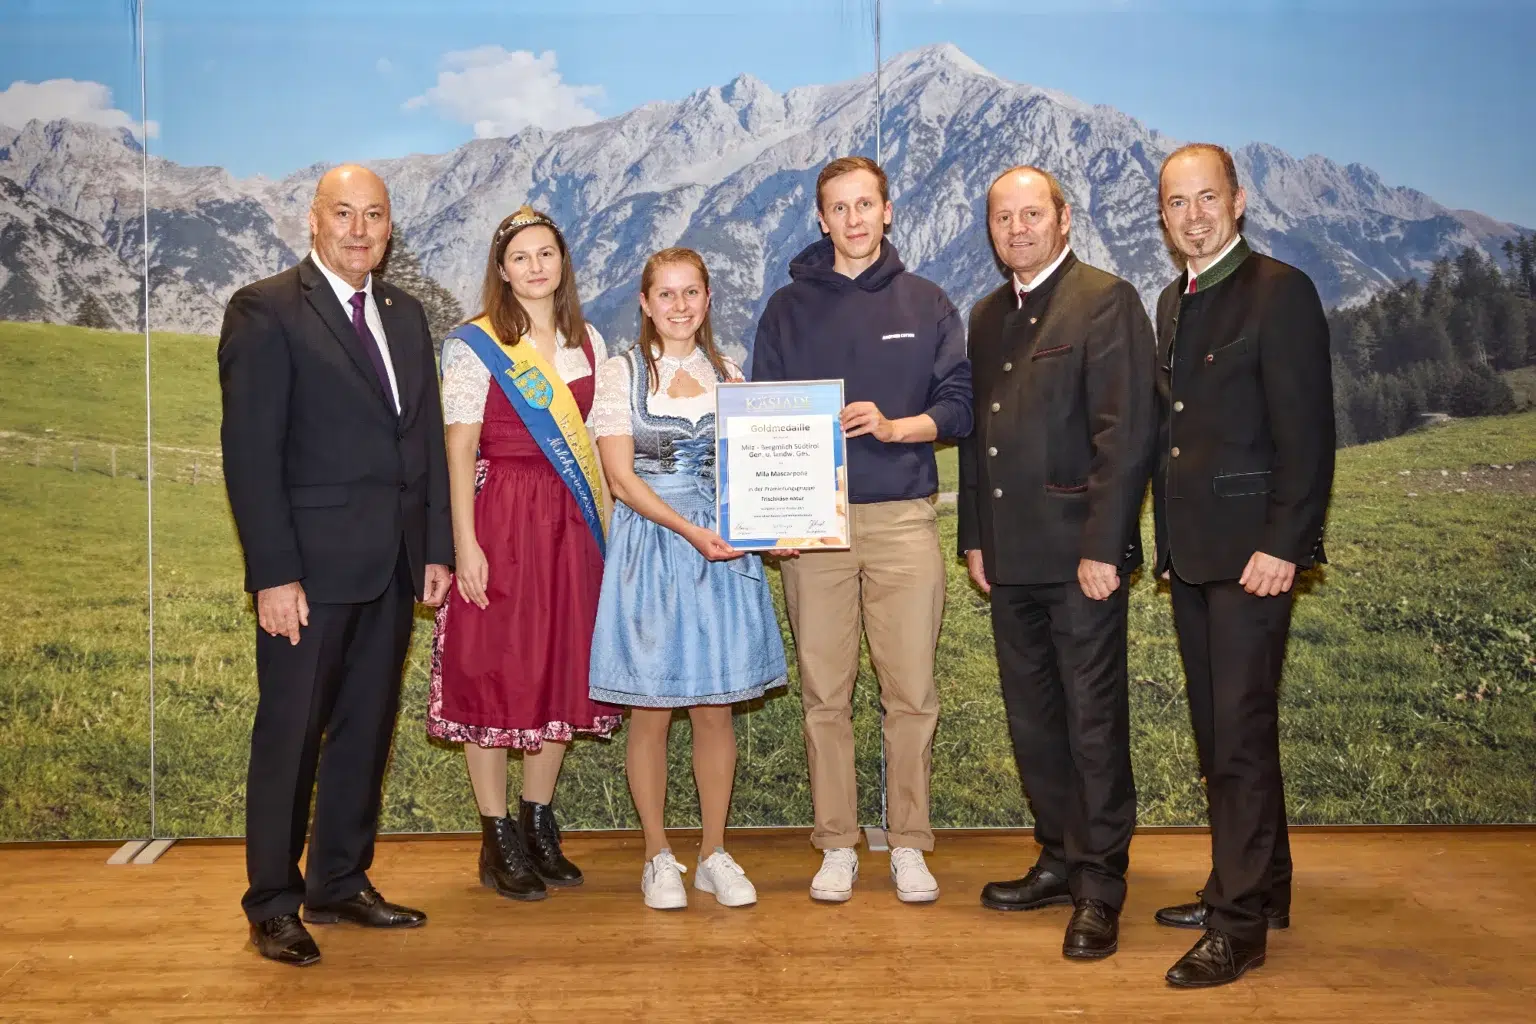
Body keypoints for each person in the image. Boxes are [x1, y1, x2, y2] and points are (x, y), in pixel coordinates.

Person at [219, 164, 453, 967]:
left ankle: (339, 881)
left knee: (364, 729)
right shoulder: (266, 310)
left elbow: (421, 445)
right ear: (311, 220)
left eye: (375, 215)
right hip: (308, 574)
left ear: (391, 227)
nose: (360, 229)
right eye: (343, 213)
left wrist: (435, 550)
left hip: (390, 564)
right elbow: (250, 456)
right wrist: (272, 575)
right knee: (289, 737)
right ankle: (273, 904)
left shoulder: (407, 314)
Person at [751, 156, 972, 904]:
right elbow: (762, 421)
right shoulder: (785, 309)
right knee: (825, 694)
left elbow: (960, 404)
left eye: (864, 205)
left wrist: (896, 425)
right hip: (815, 530)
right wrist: (773, 515)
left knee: (910, 691)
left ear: (887, 211)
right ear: (822, 219)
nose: (852, 219)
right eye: (837, 208)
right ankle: (837, 842)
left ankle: (908, 842)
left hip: (903, 519)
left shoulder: (928, 301)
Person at [959, 166, 1155, 960]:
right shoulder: (984, 316)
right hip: (1009, 559)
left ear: (1063, 219)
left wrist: (1105, 548)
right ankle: (1057, 857)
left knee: (1093, 725)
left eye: (1031, 213)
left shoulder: (1106, 300)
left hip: (1082, 561)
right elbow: (979, 440)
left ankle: (1101, 886)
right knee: (1035, 723)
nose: (1017, 228)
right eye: (1003, 217)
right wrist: (975, 536)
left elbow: (1128, 434)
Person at [1151, 143, 1335, 987]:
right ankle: (1260, 886)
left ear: (1238, 200)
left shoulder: (1280, 292)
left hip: (1254, 557)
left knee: (1239, 741)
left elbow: (1308, 436)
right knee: (1225, 733)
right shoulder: (1172, 300)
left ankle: (1239, 929)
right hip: (1192, 556)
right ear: (1163, 216)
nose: (1193, 215)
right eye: (1177, 203)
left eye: (1206, 198)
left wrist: (1285, 544)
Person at [588, 248, 790, 910]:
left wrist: (779, 521)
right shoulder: (621, 375)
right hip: (654, 548)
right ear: (644, 303)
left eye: (691, 293)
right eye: (665, 294)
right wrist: (687, 528)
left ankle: (713, 851)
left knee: (715, 711)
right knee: (651, 712)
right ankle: (656, 854)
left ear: (707, 298)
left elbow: (753, 469)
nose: (679, 306)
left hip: (722, 552)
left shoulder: (730, 373)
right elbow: (620, 478)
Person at [430, 206, 622, 903]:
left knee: (558, 668)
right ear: (502, 271)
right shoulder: (474, 345)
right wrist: (465, 546)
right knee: (495, 672)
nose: (536, 266)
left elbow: (604, 449)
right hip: (502, 517)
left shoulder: (589, 342)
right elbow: (457, 449)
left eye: (547, 253)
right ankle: (496, 835)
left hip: (572, 525)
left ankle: (539, 824)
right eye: (521, 257)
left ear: (562, 263)